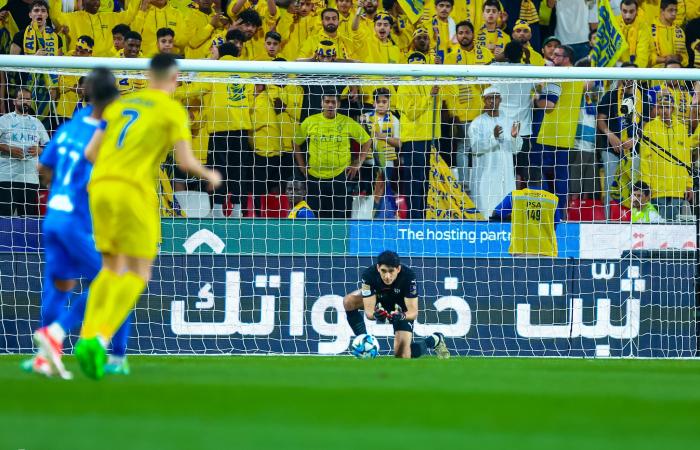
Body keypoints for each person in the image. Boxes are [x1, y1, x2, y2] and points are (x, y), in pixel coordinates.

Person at [74, 54, 221, 380]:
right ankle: (99, 338)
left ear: (147, 74)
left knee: (111, 267)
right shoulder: (171, 109)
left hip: (98, 188)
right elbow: (184, 162)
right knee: (139, 272)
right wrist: (209, 175)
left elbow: (91, 153)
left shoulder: (120, 105)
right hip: (133, 191)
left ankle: (86, 337)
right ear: (174, 79)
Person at [29, 69, 132, 379]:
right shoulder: (110, 134)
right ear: (114, 97)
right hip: (80, 219)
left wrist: (62, 186)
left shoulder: (68, 127)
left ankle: (44, 359)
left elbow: (43, 168)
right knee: (115, 280)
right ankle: (104, 352)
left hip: (54, 215)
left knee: (60, 284)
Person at [342, 250, 450, 359]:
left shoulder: (409, 276)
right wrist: (375, 315)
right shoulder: (368, 275)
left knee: (402, 355)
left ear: (398, 269)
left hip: (401, 308)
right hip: (379, 301)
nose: (387, 276)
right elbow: (369, 312)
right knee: (348, 301)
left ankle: (434, 340)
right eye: (383, 271)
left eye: (391, 271)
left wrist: (402, 316)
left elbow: (413, 312)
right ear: (378, 268)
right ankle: (365, 344)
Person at [293, 91, 371, 218]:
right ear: (322, 103)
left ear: (338, 104)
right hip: (314, 177)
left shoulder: (347, 122)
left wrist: (358, 163)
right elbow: (296, 142)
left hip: (339, 176)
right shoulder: (310, 121)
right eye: (327, 102)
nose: (330, 105)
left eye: (333, 102)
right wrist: (302, 166)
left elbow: (367, 140)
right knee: (315, 216)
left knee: (338, 217)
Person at [534, 44, 585, 218]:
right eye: (553, 55)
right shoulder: (579, 77)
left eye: (557, 56)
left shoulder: (556, 76)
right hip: (567, 135)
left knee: (547, 177)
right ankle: (562, 213)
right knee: (562, 177)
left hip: (550, 134)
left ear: (567, 58)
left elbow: (548, 105)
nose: (553, 59)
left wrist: (535, 97)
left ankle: (550, 214)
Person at [397, 52, 441, 218]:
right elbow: (411, 112)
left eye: (421, 65)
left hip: (432, 137)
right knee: (416, 180)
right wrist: (429, 96)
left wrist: (440, 69)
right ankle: (415, 216)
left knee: (430, 179)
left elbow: (454, 92)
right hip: (414, 139)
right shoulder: (404, 84)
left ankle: (428, 213)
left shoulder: (433, 79)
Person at [469, 86, 522, 218]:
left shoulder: (510, 121)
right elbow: (475, 148)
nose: (492, 101)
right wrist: (493, 138)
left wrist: (515, 137)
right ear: (483, 100)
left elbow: (516, 149)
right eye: (488, 98)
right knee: (486, 213)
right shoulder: (477, 123)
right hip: (486, 178)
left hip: (506, 178)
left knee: (507, 215)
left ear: (500, 99)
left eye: (495, 97)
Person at [639, 92, 693, 221]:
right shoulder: (650, 128)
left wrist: (689, 183)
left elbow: (686, 159)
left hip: (678, 190)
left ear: (673, 108)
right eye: (661, 107)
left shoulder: (681, 129)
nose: (664, 110)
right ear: (657, 109)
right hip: (657, 190)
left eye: (667, 107)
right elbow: (645, 159)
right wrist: (646, 185)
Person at [0, 88, 49, 216]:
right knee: (4, 220)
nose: (25, 101)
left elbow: (49, 146)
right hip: (7, 177)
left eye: (27, 99)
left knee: (28, 223)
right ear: (14, 102)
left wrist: (40, 150)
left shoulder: (37, 123)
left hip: (30, 180)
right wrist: (7, 148)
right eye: (21, 98)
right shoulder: (4, 120)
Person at [492, 167, 561, 257]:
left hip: (521, 251)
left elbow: (496, 214)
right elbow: (554, 225)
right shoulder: (553, 199)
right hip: (547, 251)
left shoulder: (515, 196)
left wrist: (513, 216)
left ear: (523, 180)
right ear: (542, 179)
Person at [47, 0, 140, 57]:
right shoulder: (72, 18)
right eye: (92, 0)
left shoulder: (110, 17)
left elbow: (130, 14)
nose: (96, 2)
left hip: (107, 67)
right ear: (83, 1)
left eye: (98, 0)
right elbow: (55, 16)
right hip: (81, 66)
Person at [650, 0, 688, 67]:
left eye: (676, 10)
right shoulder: (649, 29)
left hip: (675, 73)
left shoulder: (679, 31)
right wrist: (664, 60)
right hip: (655, 74)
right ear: (662, 11)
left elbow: (685, 59)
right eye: (670, 10)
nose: (674, 13)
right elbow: (647, 56)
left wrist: (679, 58)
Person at [618, 0, 652, 67]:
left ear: (637, 11)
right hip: (615, 68)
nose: (628, 16)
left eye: (631, 11)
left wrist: (633, 71)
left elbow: (642, 56)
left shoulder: (643, 27)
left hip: (635, 69)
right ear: (620, 10)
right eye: (624, 11)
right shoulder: (614, 24)